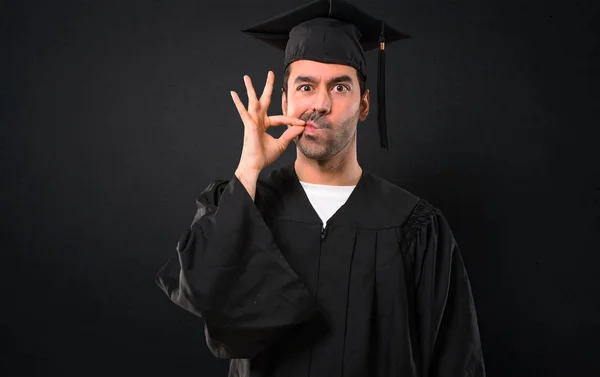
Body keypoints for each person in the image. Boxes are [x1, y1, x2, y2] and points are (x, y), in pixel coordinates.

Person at [155, 0, 486, 376]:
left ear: (363, 105)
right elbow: (198, 289)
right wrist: (249, 169)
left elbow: (456, 360)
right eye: (306, 86)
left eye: (340, 87)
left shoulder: (415, 226)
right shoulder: (246, 206)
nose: (320, 104)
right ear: (285, 100)